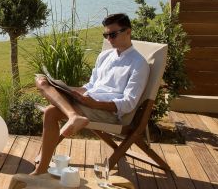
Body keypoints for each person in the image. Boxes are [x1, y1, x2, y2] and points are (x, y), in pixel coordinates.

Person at [30, 13, 150, 175]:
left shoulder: (138, 64)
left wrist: (94, 104)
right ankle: (72, 116)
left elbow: (128, 103)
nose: (109, 39)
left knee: (51, 112)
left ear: (128, 31)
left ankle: (41, 169)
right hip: (87, 103)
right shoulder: (105, 56)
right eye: (106, 35)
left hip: (108, 111)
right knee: (43, 82)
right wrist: (72, 90)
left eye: (113, 34)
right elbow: (91, 86)